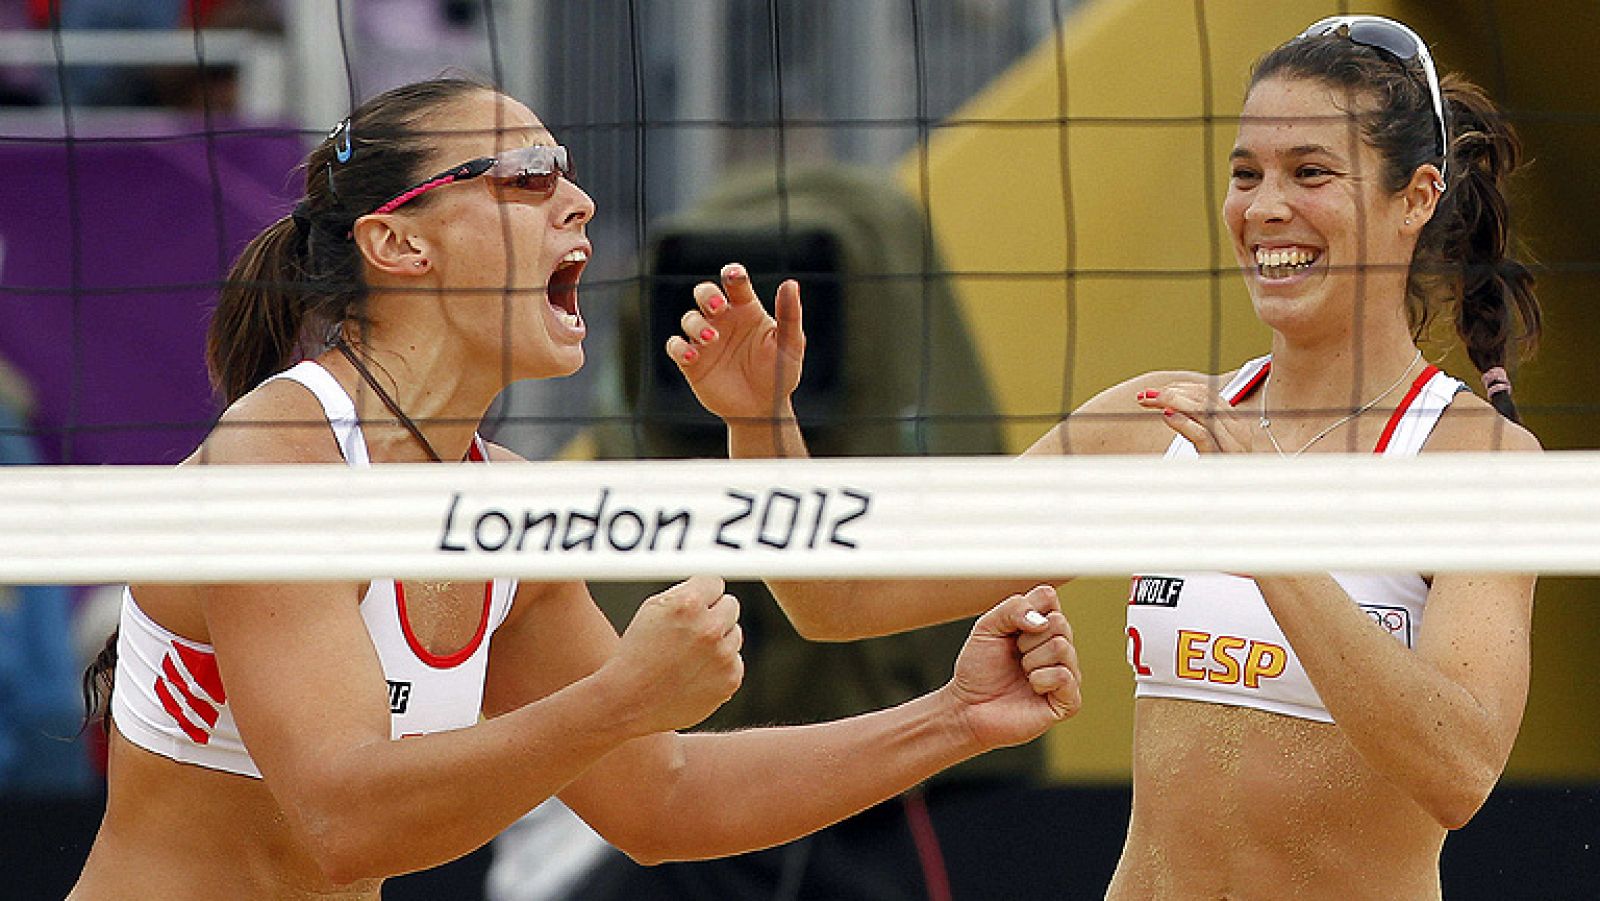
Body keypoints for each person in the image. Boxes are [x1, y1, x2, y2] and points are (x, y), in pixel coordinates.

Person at [66, 76, 1082, 901]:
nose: (579, 199)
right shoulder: (281, 455)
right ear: (399, 242)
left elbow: (662, 801)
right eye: (527, 174)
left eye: (567, 170)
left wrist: (954, 715)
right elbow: (344, 820)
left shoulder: (505, 508)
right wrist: (620, 697)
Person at [669, 15, 1540, 897]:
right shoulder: (1156, 423)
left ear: (1416, 197)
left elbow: (1459, 770)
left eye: (1309, 172)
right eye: (1246, 174)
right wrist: (762, 424)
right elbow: (839, 600)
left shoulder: (1476, 459)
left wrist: (1275, 536)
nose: (1265, 206)